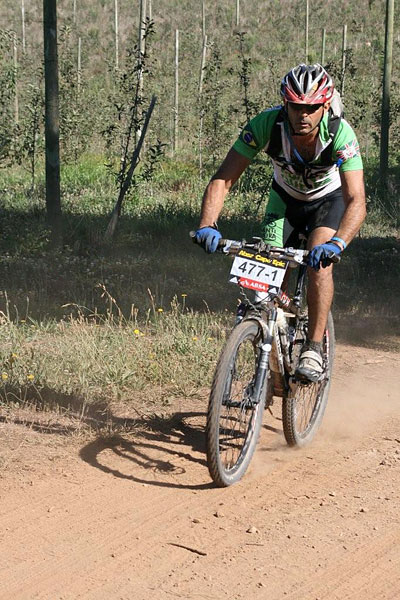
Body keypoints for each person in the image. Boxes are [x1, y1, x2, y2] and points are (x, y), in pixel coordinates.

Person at [194, 63, 366, 382]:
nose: (303, 115)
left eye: (312, 108)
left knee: (319, 264)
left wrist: (337, 243)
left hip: (327, 203)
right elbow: (223, 179)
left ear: (325, 106)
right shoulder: (266, 124)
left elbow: (356, 200)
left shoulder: (340, 133)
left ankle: (314, 347)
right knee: (267, 278)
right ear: (284, 104)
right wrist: (208, 223)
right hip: (284, 201)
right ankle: (268, 338)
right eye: (296, 106)